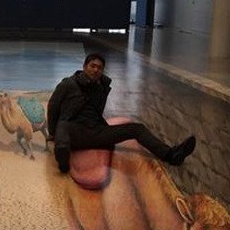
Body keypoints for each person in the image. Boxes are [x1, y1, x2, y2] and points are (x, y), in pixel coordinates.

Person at [47, 53, 196, 173]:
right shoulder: (68, 84)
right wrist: (53, 132)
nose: (96, 70)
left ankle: (171, 155)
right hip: (74, 131)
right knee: (63, 126)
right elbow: (53, 107)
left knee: (137, 129)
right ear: (84, 67)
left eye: (99, 68)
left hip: (97, 132)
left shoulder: (102, 86)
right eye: (92, 66)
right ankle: (63, 160)